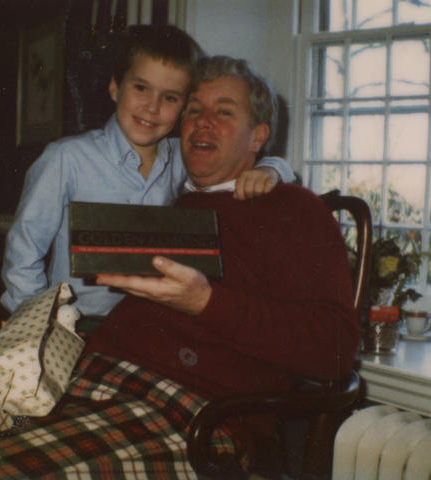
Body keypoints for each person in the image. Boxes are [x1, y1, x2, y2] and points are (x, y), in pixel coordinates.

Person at [86, 55, 359, 399]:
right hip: (94, 369)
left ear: (258, 137)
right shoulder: (167, 193)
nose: (202, 122)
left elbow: (332, 350)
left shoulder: (293, 209)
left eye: (224, 112)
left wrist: (205, 302)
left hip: (178, 405)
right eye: (194, 110)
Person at [0, 25, 295, 318]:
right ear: (116, 87)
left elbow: (266, 167)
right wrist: (33, 322)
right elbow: (24, 249)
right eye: (141, 88)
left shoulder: (183, 159)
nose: (152, 107)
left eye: (169, 97)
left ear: (182, 108)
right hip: (73, 324)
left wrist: (271, 169)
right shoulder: (67, 158)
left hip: (146, 329)